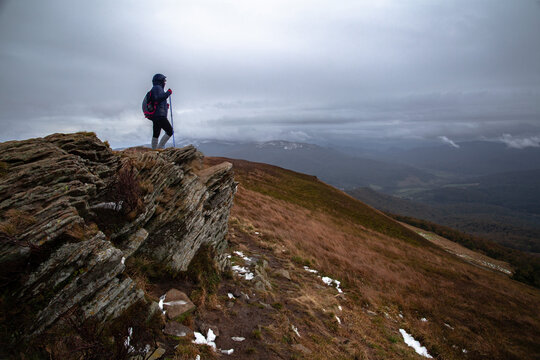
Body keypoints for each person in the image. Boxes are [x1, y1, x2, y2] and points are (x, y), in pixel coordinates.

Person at [149, 73, 173, 149]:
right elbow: (158, 98)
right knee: (169, 131)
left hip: (156, 115)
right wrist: (168, 93)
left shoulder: (156, 88)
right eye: (164, 80)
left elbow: (157, 101)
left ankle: (154, 150)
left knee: (156, 133)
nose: (165, 82)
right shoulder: (157, 88)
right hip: (160, 115)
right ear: (160, 80)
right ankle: (160, 148)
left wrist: (166, 106)